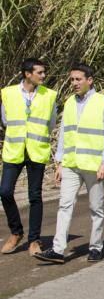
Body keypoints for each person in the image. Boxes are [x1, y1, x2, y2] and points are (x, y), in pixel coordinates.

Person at [33, 63, 104, 264]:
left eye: (78, 79)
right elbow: (64, 134)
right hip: (71, 164)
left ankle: (96, 247)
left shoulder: (103, 102)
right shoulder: (69, 102)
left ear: (90, 80)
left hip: (94, 165)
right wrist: (59, 162)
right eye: (72, 79)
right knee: (64, 205)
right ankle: (58, 249)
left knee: (96, 207)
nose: (74, 83)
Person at [0, 58, 57, 256]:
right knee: (5, 192)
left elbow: (50, 124)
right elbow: (6, 120)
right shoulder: (8, 93)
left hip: (36, 150)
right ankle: (16, 232)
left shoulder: (49, 95)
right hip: (14, 150)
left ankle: (34, 240)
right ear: (27, 74)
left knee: (35, 196)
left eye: (43, 72)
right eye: (39, 72)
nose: (43, 76)